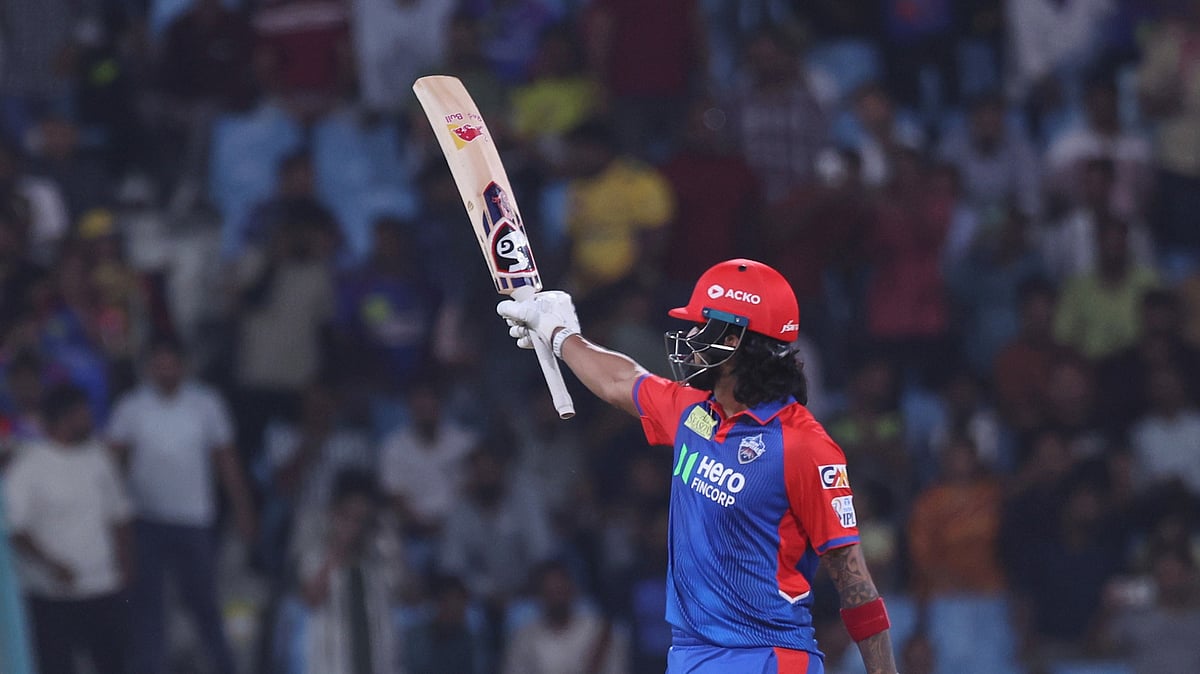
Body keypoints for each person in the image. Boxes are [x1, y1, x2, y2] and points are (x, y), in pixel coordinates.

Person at [498, 258, 897, 672]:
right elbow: (620, 380)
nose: (689, 338)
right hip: (691, 656)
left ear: (739, 341)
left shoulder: (803, 446)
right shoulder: (694, 413)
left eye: (702, 326)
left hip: (766, 657)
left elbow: (854, 582)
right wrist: (560, 335)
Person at [106, 336, 256, 674]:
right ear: (147, 369)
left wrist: (243, 508)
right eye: (159, 365)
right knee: (148, 607)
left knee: (204, 601)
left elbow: (226, 460)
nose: (166, 372)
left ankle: (223, 665)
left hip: (194, 520)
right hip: (145, 521)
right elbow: (112, 463)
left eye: (172, 364)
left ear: (184, 366)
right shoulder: (131, 407)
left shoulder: (206, 403)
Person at [3, 384, 133, 674]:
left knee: (112, 664)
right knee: (56, 667)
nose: (90, 419)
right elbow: (13, 528)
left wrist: (125, 566)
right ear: (65, 418)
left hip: (102, 587)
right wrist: (51, 565)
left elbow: (120, 515)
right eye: (84, 414)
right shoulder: (30, 466)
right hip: (51, 595)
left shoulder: (99, 457)